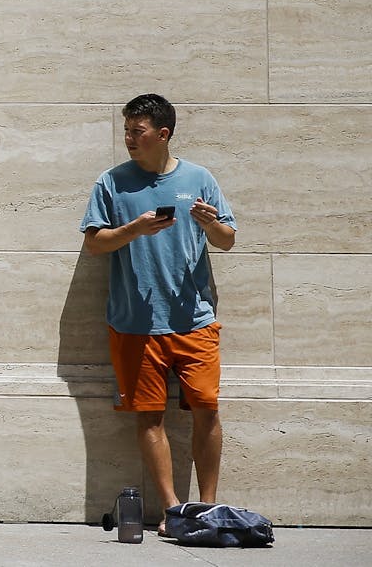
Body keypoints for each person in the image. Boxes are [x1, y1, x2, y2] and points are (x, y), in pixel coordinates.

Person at [80, 93, 237, 535]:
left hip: (195, 320)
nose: (129, 138)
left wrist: (209, 222)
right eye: (126, 130)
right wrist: (133, 229)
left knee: (207, 409)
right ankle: (171, 509)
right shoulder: (112, 182)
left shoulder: (199, 177)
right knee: (149, 415)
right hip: (135, 324)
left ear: (162, 134)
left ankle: (207, 507)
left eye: (138, 131)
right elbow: (94, 244)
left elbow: (227, 240)